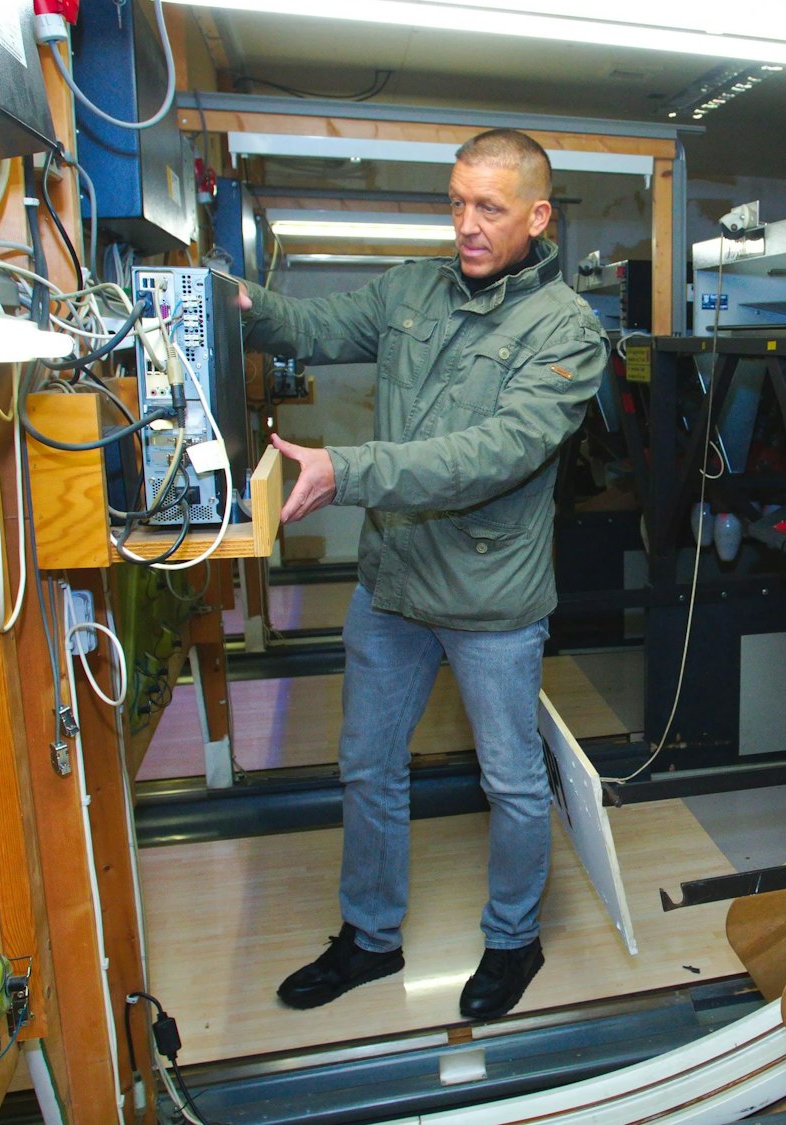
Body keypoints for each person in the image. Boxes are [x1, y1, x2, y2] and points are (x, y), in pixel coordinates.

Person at [235, 128, 605, 1021]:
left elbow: (492, 454)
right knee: (367, 764)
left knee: (510, 781)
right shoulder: (411, 290)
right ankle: (370, 936)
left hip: (491, 599)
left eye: (490, 208)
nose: (466, 224)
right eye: (456, 203)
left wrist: (347, 470)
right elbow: (311, 327)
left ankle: (514, 938)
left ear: (538, 217)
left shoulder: (568, 330)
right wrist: (236, 300)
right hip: (395, 584)